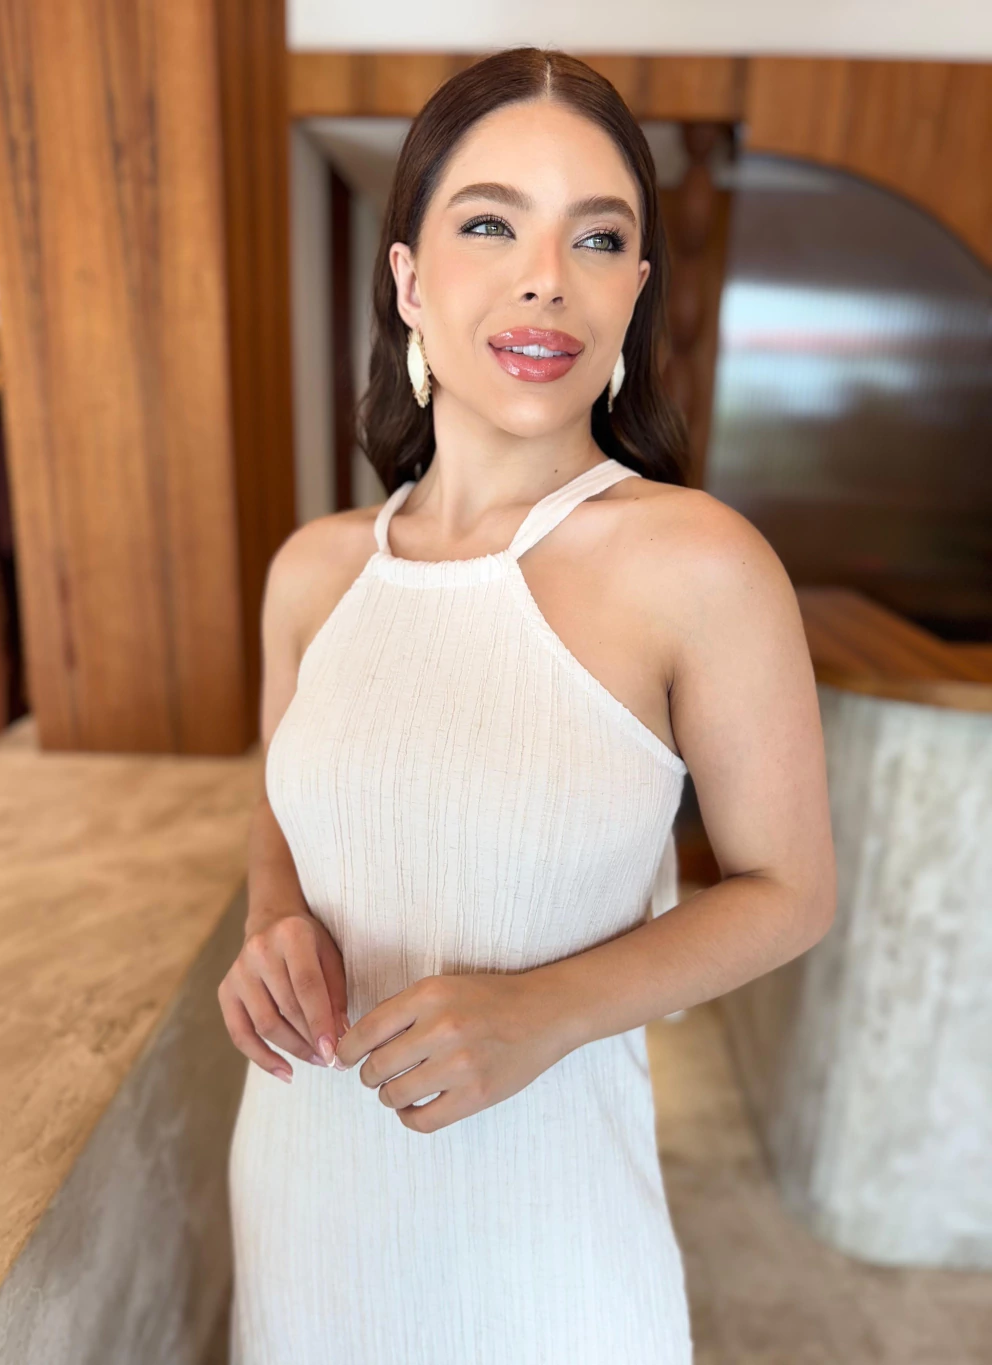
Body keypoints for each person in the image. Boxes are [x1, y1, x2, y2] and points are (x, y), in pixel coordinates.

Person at [219, 45, 836, 1364]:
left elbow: (790, 891)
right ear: (409, 280)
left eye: (596, 238)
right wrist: (274, 923)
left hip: (548, 1238)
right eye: (491, 223)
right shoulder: (315, 572)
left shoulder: (699, 565)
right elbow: (282, 806)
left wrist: (544, 1011)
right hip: (303, 1190)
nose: (547, 275)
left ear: (634, 292)